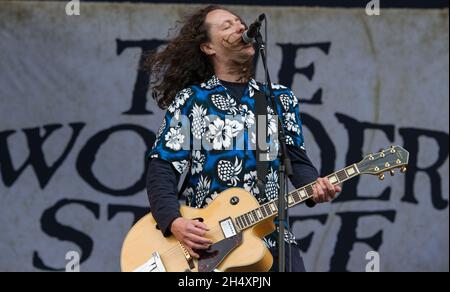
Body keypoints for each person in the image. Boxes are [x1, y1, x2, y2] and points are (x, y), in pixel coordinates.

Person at [145, 5, 341, 272]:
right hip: (209, 244)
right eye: (226, 26)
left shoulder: (277, 98)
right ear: (208, 48)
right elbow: (162, 167)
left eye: (239, 22)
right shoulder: (192, 100)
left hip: (272, 239)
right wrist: (173, 221)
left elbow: (295, 159)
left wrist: (315, 186)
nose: (240, 27)